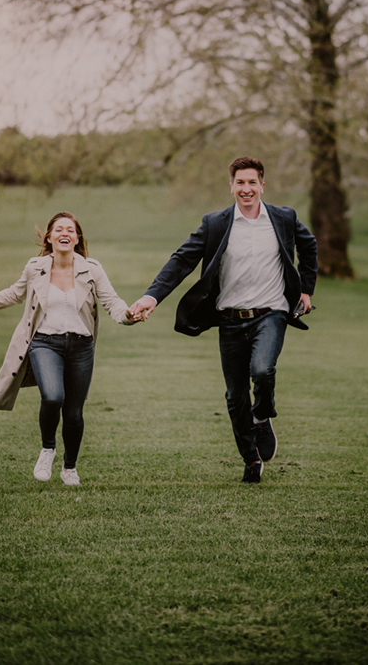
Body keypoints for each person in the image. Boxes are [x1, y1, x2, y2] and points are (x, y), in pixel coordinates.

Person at [129, 157, 317, 484]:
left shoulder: (283, 218)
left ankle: (262, 415)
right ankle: (251, 460)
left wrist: (306, 290)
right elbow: (182, 260)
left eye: (252, 183)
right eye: (240, 183)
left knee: (262, 369)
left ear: (262, 185)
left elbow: (309, 246)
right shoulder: (216, 223)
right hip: (230, 318)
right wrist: (152, 296)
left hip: (270, 313)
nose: (246, 189)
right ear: (231, 186)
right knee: (235, 396)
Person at [0, 212, 137, 486]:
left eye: (71, 230)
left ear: (77, 239)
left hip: (81, 347)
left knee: (74, 412)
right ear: (50, 237)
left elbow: (111, 301)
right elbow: (13, 294)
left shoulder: (92, 268)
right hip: (44, 343)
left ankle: (70, 468)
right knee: (53, 397)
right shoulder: (36, 268)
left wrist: (128, 315)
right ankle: (48, 449)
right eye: (59, 229)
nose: (65, 233)